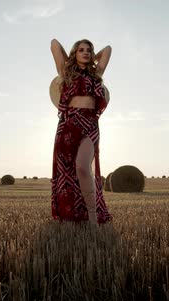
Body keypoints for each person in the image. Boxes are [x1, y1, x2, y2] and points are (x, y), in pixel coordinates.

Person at [50, 38, 113, 225]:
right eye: (81, 50)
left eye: (88, 50)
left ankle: (93, 218)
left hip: (89, 124)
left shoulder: (96, 74)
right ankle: (71, 215)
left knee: (82, 167)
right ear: (74, 53)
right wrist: (69, 56)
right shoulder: (65, 73)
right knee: (66, 173)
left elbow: (108, 50)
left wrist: (94, 57)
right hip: (68, 125)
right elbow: (54, 44)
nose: (85, 52)